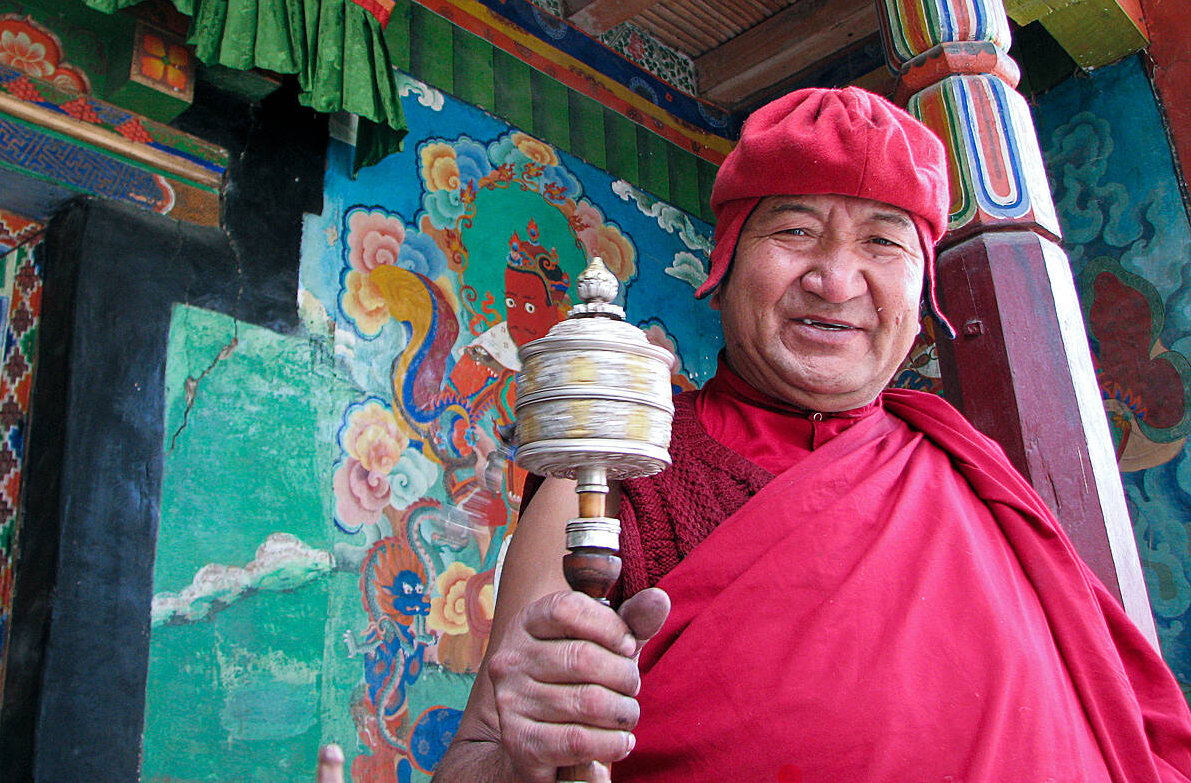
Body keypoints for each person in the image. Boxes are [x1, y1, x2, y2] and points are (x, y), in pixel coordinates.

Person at [432, 87, 1191, 782]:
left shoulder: (970, 473)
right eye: (795, 229)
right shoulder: (620, 466)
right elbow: (478, 762)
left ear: (922, 294)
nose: (836, 278)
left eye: (883, 243)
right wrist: (526, 753)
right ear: (723, 267)